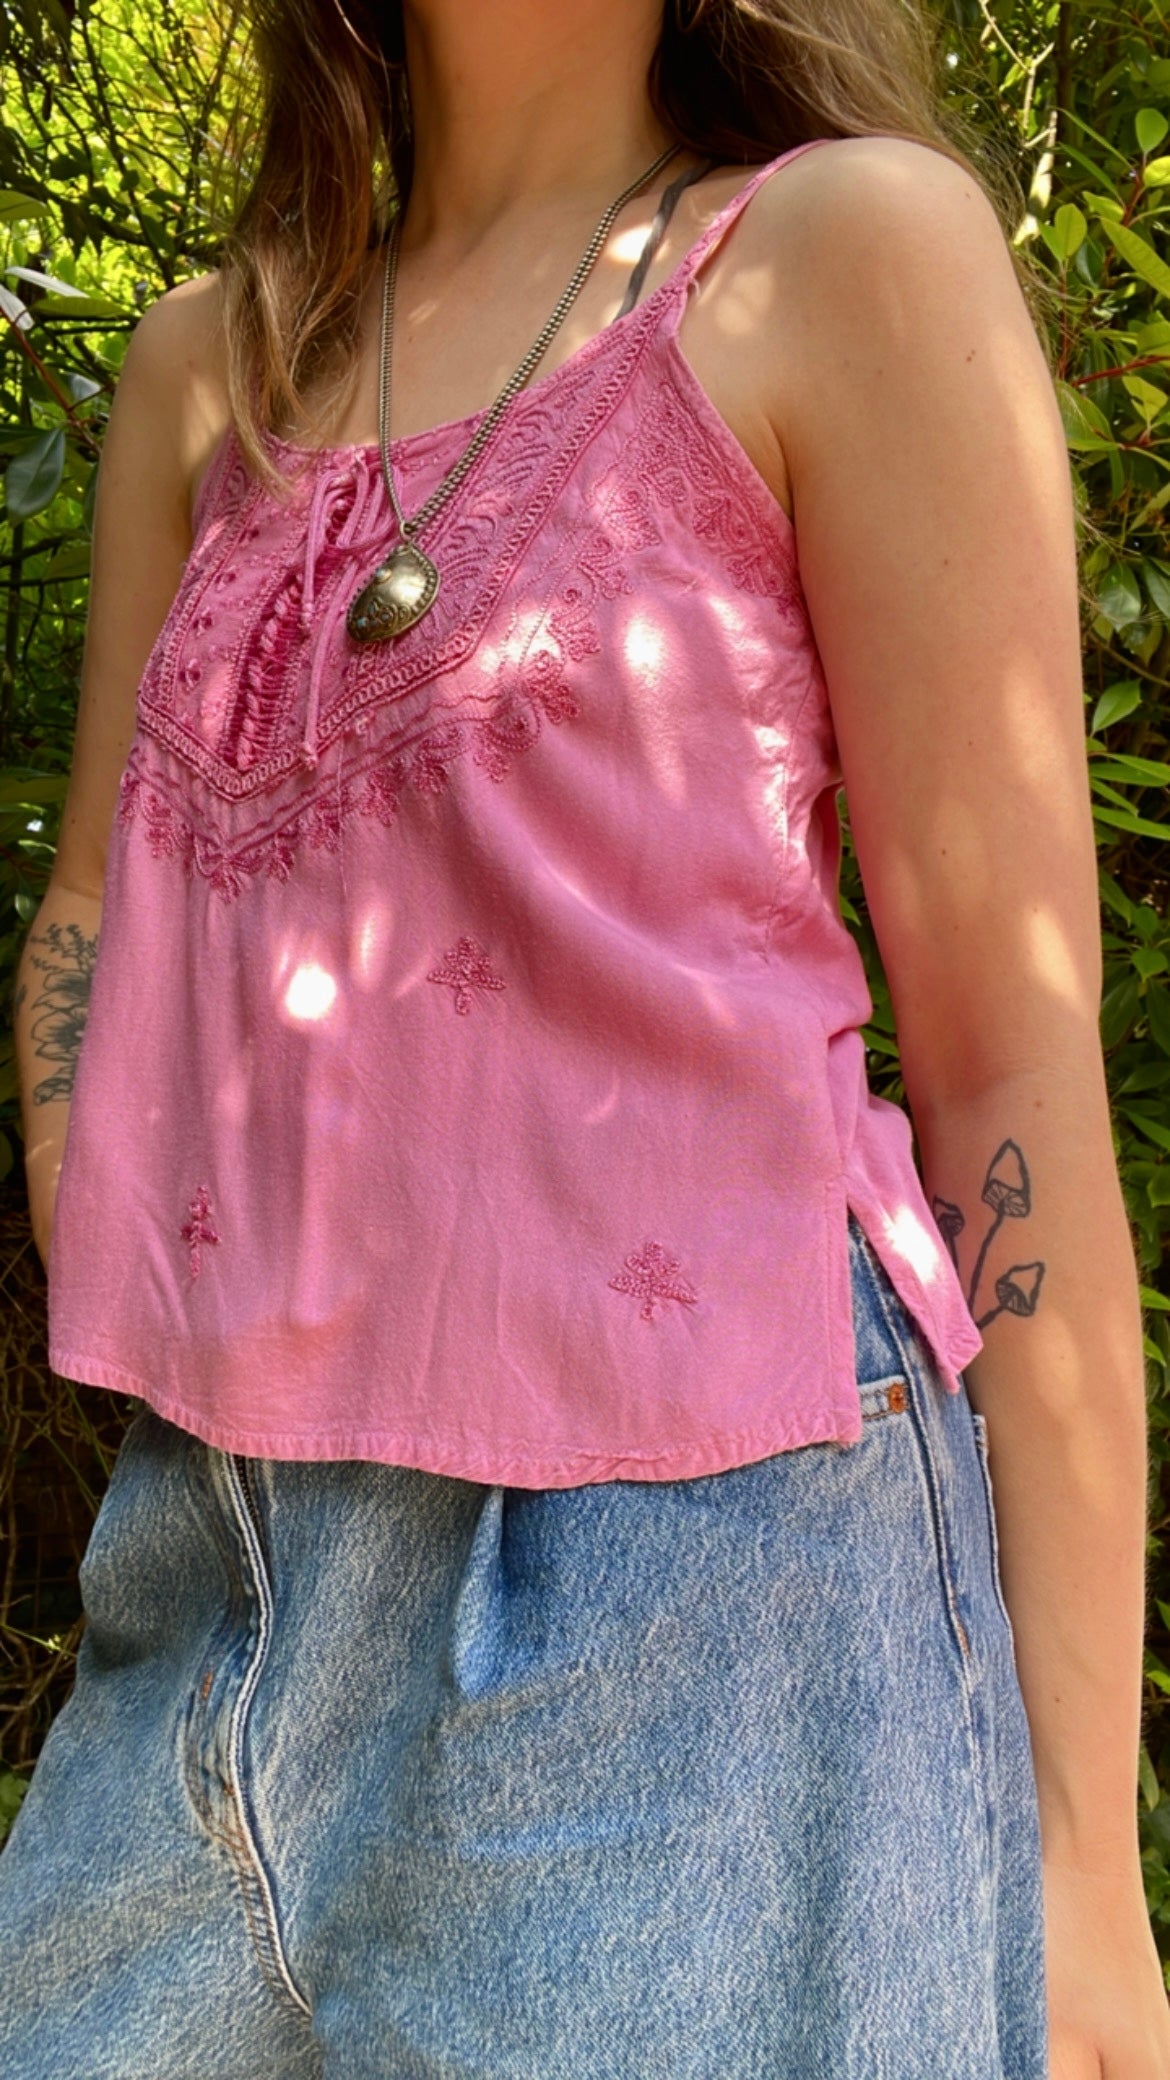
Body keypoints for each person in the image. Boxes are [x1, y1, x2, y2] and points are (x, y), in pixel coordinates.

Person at [2, 0, 1166, 2072]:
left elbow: (1007, 1060)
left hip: (699, 1600)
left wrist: (1079, 1858)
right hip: (210, 1570)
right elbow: (89, 902)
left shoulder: (833, 256)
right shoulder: (212, 371)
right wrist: (191, 1301)